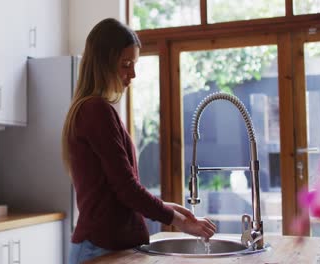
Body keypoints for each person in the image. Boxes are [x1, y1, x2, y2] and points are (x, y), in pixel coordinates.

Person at [61, 18, 217, 264]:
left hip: (105, 246)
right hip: (99, 249)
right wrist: (180, 222)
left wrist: (170, 208)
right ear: (104, 63)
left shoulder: (97, 110)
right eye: (125, 64)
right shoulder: (96, 110)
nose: (132, 74)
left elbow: (116, 192)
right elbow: (126, 189)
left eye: (133, 64)